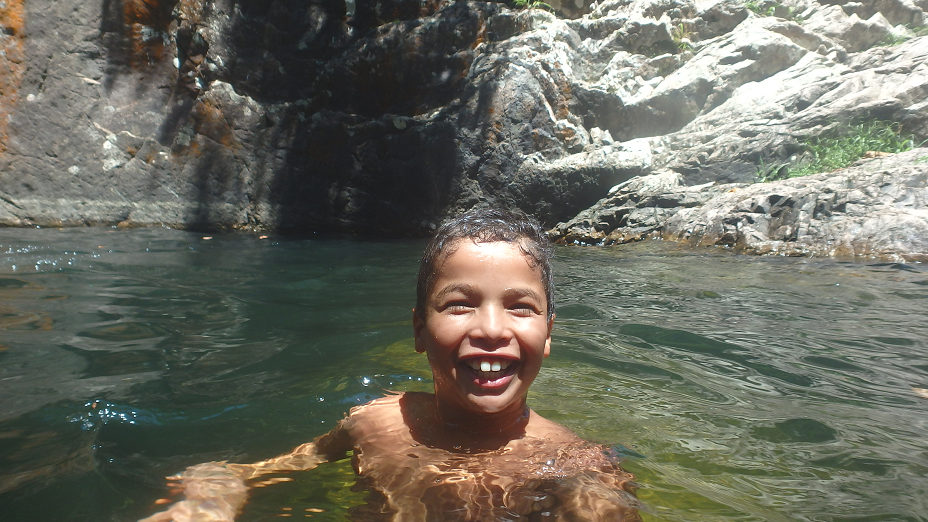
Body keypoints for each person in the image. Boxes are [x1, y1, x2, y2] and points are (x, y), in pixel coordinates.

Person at [141, 208, 641, 522]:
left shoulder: (577, 469)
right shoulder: (375, 422)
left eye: (520, 307)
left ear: (548, 334)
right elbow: (279, 467)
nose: (491, 329)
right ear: (420, 330)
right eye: (459, 304)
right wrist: (214, 490)